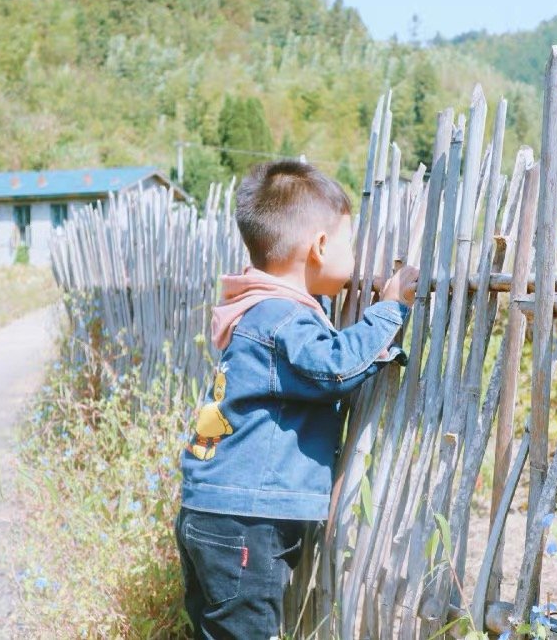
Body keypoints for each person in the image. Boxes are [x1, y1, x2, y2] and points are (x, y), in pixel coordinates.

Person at [175, 161, 418, 639]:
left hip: (213, 511)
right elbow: (334, 366)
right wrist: (390, 309)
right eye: (349, 242)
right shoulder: (284, 318)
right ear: (321, 247)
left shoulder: (260, 308)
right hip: (246, 519)